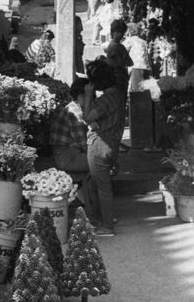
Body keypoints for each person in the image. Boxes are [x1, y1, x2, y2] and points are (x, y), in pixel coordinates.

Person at [82, 59, 124, 236]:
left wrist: (88, 95)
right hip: (111, 144)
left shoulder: (104, 99)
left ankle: (107, 226)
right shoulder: (118, 95)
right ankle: (106, 218)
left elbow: (87, 117)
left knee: (102, 187)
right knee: (101, 185)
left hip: (99, 145)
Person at [50, 77, 93, 212]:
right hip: (67, 157)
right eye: (91, 96)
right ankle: (94, 208)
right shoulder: (76, 112)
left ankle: (88, 201)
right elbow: (84, 143)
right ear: (82, 96)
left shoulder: (74, 107)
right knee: (101, 164)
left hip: (70, 153)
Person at [125, 22, 150, 92]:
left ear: (129, 32)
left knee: (136, 89)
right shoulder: (143, 41)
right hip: (145, 66)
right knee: (144, 88)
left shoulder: (130, 41)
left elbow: (123, 49)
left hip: (136, 66)